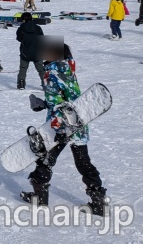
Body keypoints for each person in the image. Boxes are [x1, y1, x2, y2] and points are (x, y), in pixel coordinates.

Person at [21, 44, 107, 215]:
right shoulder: (67, 69)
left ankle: (39, 198)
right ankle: (98, 202)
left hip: (61, 126)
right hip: (76, 123)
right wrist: (44, 104)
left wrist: (58, 128)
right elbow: (68, 98)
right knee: (83, 163)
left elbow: (60, 103)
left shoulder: (52, 72)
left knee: (46, 159)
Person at [16, 12, 45, 90]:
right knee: (41, 69)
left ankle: (21, 84)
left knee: (23, 68)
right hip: (37, 52)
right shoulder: (37, 28)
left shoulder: (21, 28)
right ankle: (45, 84)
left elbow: (19, 39)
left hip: (25, 52)